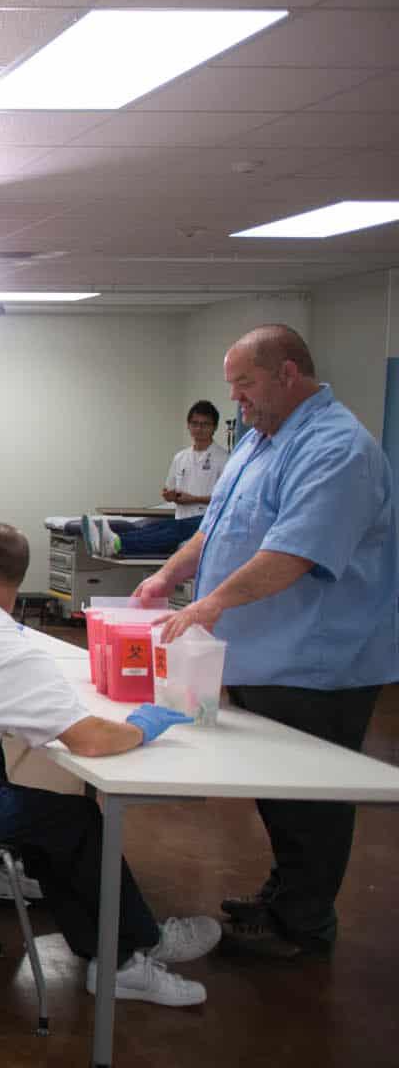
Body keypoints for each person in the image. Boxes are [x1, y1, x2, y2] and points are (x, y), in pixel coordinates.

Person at [0, 522, 221, 1006]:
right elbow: (90, 741)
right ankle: (131, 953)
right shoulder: (6, 649)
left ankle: (112, 948)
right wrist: (141, 725)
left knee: (52, 824)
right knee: (77, 823)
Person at [137, 325, 398, 959]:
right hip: (263, 653)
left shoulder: (337, 450)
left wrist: (210, 603)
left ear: (288, 373)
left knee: (311, 800)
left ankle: (304, 925)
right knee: (279, 796)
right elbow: (220, 524)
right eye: (232, 388)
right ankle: (285, 897)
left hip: (319, 662)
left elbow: (294, 552)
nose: (237, 402)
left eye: (245, 385)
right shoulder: (259, 441)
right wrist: (170, 573)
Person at [81, 401, 224, 558]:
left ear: (215, 427)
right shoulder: (181, 457)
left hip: (205, 523)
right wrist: (169, 495)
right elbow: (169, 489)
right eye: (195, 423)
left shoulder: (224, 459)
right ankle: (108, 542)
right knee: (154, 527)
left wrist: (194, 499)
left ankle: (116, 543)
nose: (199, 428)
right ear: (188, 425)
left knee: (171, 530)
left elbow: (225, 500)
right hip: (181, 518)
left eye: (205, 424)